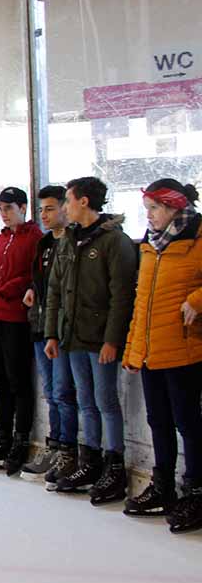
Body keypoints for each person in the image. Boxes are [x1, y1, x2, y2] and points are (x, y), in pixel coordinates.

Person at [44, 176, 136, 503]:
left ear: (84, 202)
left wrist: (113, 340)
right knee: (85, 399)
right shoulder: (68, 240)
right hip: (72, 337)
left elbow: (122, 296)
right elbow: (54, 289)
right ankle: (91, 459)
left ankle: (115, 465)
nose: (65, 207)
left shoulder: (114, 241)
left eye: (68, 200)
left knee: (105, 400)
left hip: (100, 340)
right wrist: (52, 332)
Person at [122, 178, 202, 533]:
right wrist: (132, 348)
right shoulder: (150, 245)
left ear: (173, 208)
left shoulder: (198, 238)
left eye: (154, 209)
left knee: (190, 425)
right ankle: (163, 486)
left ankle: (196, 491)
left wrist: (197, 301)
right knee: (159, 422)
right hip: (152, 352)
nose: (150, 216)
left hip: (185, 349)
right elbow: (143, 302)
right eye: (147, 210)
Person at [0, 187, 42, 475]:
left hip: (15, 317)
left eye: (9, 208)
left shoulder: (35, 238)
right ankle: (2, 437)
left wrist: (13, 287)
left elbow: (35, 274)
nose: (4, 214)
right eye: (1, 209)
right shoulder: (1, 238)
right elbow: (0, 271)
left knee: (18, 382)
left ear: (23, 208)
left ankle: (20, 439)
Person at [20, 186, 79, 488]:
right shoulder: (44, 244)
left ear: (66, 209)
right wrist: (32, 289)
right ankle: (54, 445)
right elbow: (40, 281)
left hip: (65, 332)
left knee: (64, 392)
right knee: (51, 393)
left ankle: (68, 450)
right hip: (40, 327)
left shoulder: (73, 243)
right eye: (41, 209)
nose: (43, 214)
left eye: (51, 208)